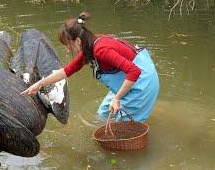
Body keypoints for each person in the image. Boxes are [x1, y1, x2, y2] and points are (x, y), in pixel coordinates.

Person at [21, 12, 159, 122]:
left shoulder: (101, 50)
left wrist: (116, 99)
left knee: (125, 126)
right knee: (102, 115)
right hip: (129, 80)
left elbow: (134, 71)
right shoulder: (90, 46)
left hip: (142, 83)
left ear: (78, 41)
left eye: (67, 45)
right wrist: (39, 84)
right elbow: (67, 71)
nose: (67, 50)